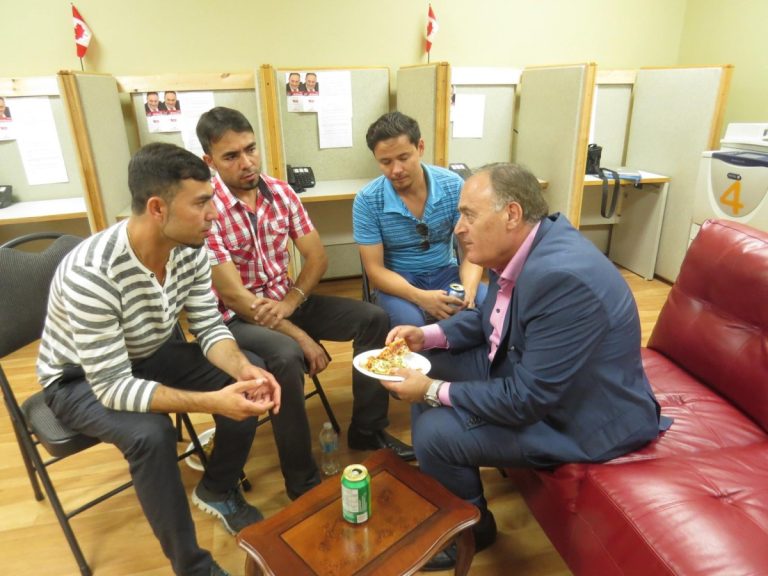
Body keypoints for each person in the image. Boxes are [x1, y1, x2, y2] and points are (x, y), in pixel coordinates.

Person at [380, 163, 667, 571]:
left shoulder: (561, 277)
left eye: (469, 215)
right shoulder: (525, 248)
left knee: (433, 430)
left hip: (583, 418)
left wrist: (430, 390)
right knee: (425, 362)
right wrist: (424, 337)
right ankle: (448, 491)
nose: (458, 228)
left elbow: (528, 399)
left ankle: (471, 530)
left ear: (512, 214)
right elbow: (488, 321)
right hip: (531, 373)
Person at [36, 142, 281, 576]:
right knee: (151, 435)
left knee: (251, 374)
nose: (215, 214)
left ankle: (218, 488)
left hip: (145, 353)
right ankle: (193, 568)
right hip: (77, 380)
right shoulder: (92, 273)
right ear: (157, 208)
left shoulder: (190, 248)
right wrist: (215, 402)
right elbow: (111, 385)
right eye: (202, 203)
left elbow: (208, 327)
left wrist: (242, 371)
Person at [196, 107, 414, 500]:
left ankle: (367, 429)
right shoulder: (207, 209)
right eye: (231, 156)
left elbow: (317, 257)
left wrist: (293, 301)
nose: (246, 163)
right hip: (235, 319)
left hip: (286, 301)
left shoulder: (280, 192)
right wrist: (299, 335)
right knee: (286, 355)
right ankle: (302, 481)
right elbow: (233, 296)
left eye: (250, 149)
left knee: (373, 318)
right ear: (209, 161)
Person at [353, 111, 487, 328]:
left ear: (420, 148)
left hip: (447, 273)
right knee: (411, 325)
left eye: (404, 158)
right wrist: (420, 297)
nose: (396, 170)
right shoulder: (367, 200)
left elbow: (472, 251)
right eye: (386, 162)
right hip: (400, 281)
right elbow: (375, 272)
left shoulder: (453, 185)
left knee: (488, 306)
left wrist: (469, 289)